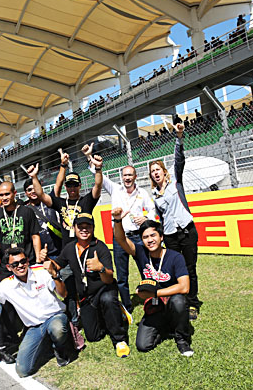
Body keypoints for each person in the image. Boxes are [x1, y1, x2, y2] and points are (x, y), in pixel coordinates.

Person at [0, 248, 72, 377]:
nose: (20, 265)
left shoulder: (40, 271)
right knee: (22, 371)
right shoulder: (6, 284)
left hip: (54, 317)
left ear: (27, 261)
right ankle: (45, 343)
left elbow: (63, 293)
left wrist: (54, 275)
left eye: (23, 261)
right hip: (35, 327)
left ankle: (59, 348)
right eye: (15, 264)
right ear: (9, 267)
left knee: (57, 329)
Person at [83, 144, 156, 315]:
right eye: (125, 175)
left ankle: (152, 303)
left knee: (146, 272)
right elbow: (96, 172)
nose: (127, 178)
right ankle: (127, 308)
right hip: (119, 238)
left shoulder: (143, 193)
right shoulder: (115, 188)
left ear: (135, 176)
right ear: (121, 177)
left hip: (138, 238)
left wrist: (147, 219)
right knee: (122, 276)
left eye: (130, 175)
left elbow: (152, 210)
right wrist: (89, 156)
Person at [112, 210, 193, 356]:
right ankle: (166, 327)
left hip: (172, 302)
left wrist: (155, 293)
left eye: (153, 235)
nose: (150, 240)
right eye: (145, 237)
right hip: (154, 306)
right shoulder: (141, 253)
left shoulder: (175, 257)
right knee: (143, 345)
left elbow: (184, 287)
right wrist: (117, 220)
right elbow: (121, 240)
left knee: (179, 301)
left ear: (161, 237)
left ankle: (182, 339)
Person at [49, 213, 130, 358]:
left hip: (104, 289)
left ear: (93, 228)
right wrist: (48, 261)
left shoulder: (101, 247)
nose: (84, 229)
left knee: (107, 300)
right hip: (87, 296)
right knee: (93, 336)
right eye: (80, 226)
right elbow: (57, 265)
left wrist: (101, 268)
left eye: (88, 226)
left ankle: (119, 339)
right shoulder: (69, 248)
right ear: (74, 228)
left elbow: (109, 278)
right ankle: (111, 316)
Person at [149, 123, 202, 320]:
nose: (156, 172)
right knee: (174, 270)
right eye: (152, 171)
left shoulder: (176, 183)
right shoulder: (154, 196)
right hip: (170, 236)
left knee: (190, 268)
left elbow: (179, 160)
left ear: (164, 171)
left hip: (187, 231)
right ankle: (176, 301)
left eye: (158, 169)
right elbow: (159, 218)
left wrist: (179, 137)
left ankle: (192, 303)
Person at [28, 148, 103, 248]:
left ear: (80, 186)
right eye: (69, 185)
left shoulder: (87, 201)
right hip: (68, 250)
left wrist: (98, 168)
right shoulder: (61, 203)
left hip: (87, 247)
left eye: (75, 185)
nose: (72, 188)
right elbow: (41, 195)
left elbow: (98, 185)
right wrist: (34, 177)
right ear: (65, 187)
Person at [0, 181, 43, 280]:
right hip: (7, 266)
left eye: (7, 194)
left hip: (27, 262)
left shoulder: (27, 211)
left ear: (14, 193)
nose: (4, 198)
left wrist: (38, 260)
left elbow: (35, 236)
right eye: (1, 195)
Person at [23, 178, 63, 259]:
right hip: (41, 255)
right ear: (26, 193)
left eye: (35, 188)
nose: (33, 191)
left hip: (60, 251)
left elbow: (58, 184)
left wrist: (63, 166)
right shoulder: (25, 210)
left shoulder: (49, 201)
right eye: (29, 190)